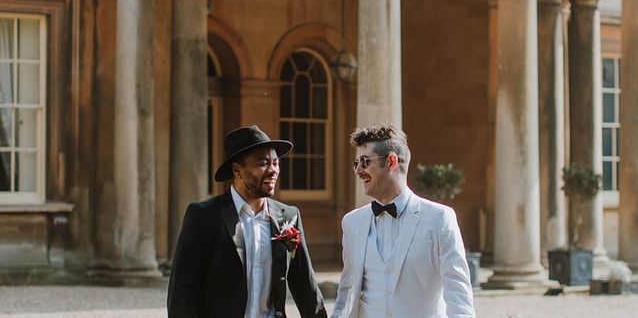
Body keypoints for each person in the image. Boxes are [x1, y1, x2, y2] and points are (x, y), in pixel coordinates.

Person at [168, 125, 327, 318]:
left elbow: (305, 287)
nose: (273, 170)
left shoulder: (289, 216)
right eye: (262, 163)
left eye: (275, 163)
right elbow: (183, 289)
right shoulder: (204, 216)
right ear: (237, 171)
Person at [331, 125, 475, 318]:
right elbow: (347, 291)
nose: (358, 170)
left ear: (391, 162)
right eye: (356, 163)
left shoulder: (439, 218)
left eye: (364, 162)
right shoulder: (352, 222)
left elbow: (459, 292)